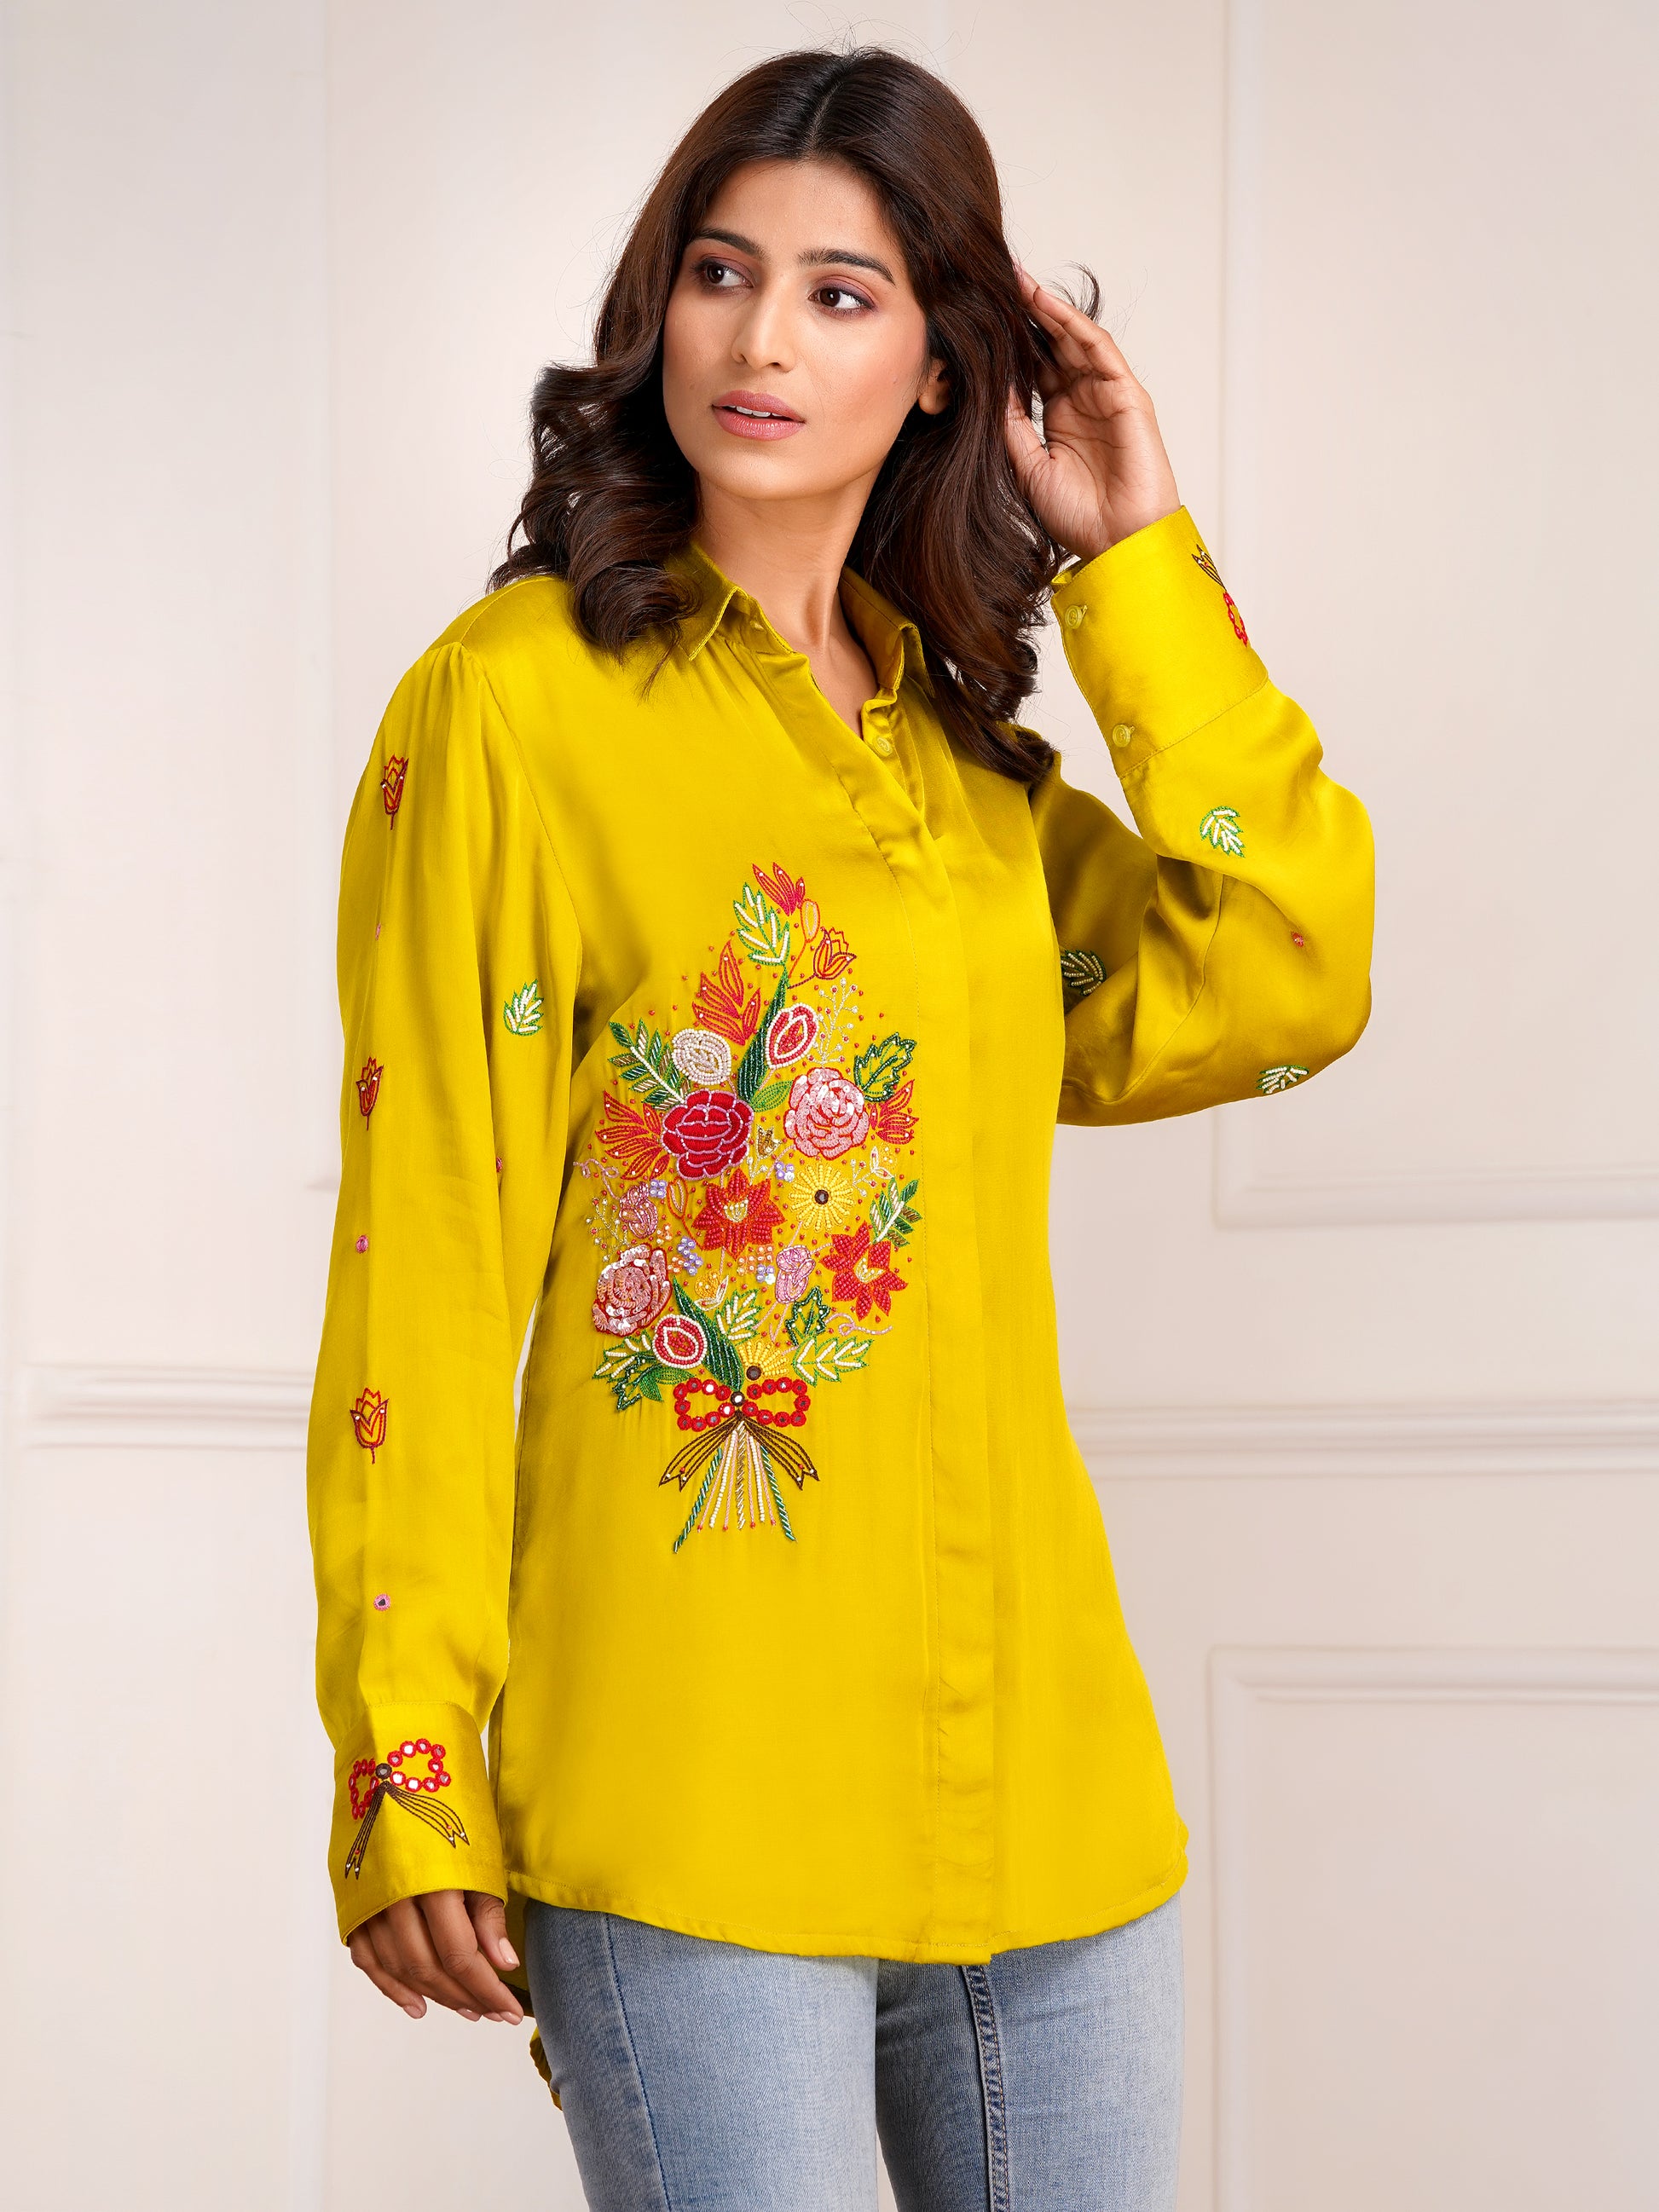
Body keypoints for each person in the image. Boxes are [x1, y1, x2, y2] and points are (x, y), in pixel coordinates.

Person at [305, 42, 1373, 2212]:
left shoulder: (964, 786)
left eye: (839, 291)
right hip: (697, 1795)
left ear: (945, 364)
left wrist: (1136, 563)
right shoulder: (513, 707)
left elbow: (1283, 972)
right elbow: (430, 1243)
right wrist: (407, 1749)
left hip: (1046, 1799)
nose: (761, 339)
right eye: (720, 273)